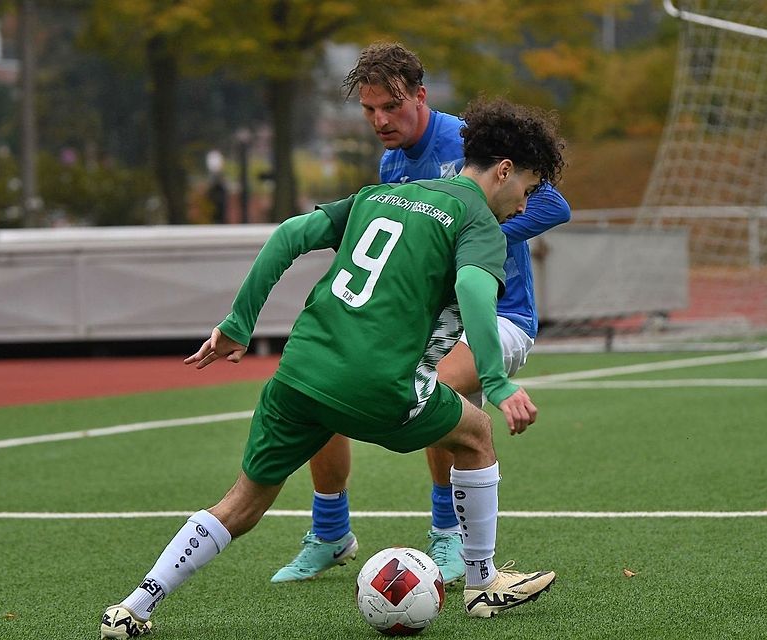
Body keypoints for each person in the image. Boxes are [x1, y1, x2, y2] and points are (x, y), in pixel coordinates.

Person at [99, 96, 566, 639]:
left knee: (242, 503)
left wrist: (238, 322)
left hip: (299, 373)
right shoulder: (479, 222)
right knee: (476, 431)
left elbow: (289, 235)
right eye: (527, 190)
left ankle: (135, 605)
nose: (523, 205)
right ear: (504, 171)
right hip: (378, 384)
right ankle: (484, 583)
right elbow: (471, 289)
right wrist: (498, 380)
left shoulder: (381, 194)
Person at [270, 42, 571, 587]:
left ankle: (448, 536)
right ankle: (331, 531)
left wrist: (467, 245)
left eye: (392, 106)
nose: (380, 120)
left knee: (435, 391)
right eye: (369, 110)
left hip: (500, 316)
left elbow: (553, 205)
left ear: (421, 97)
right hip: (430, 321)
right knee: (322, 380)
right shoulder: (391, 161)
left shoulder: (464, 143)